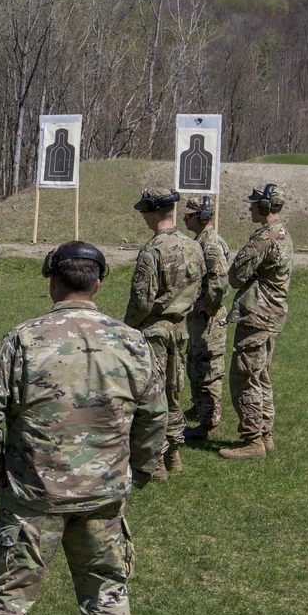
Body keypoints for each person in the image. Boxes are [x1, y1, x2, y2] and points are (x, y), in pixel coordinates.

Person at [0, 241, 167, 615]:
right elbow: (155, 415)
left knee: (7, 600)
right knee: (107, 596)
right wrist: (139, 471)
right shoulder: (130, 341)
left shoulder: (23, 340)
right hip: (103, 495)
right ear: (97, 285)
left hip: (32, 496)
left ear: (53, 283)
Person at [124, 187, 204, 479]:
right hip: (179, 329)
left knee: (150, 395)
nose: (144, 217)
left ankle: (155, 460)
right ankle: (174, 454)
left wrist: (128, 326)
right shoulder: (193, 246)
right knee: (172, 392)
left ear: (154, 212)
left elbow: (142, 300)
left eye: (144, 212)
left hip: (153, 332)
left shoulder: (153, 250)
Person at [220, 184, 294, 459]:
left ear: (264, 208)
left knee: (245, 377)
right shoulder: (283, 234)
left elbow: (236, 276)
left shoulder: (264, 238)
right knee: (261, 374)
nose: (250, 207)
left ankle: (252, 440)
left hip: (257, 316)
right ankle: (266, 433)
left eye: (253, 204)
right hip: (272, 315)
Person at [181, 196, 231, 441]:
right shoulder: (201, 241)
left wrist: (209, 306)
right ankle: (200, 407)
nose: (184, 219)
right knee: (194, 364)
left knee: (207, 370)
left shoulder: (210, 244)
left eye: (189, 216)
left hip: (208, 320)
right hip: (199, 319)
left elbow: (220, 281)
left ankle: (209, 423)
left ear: (201, 217)